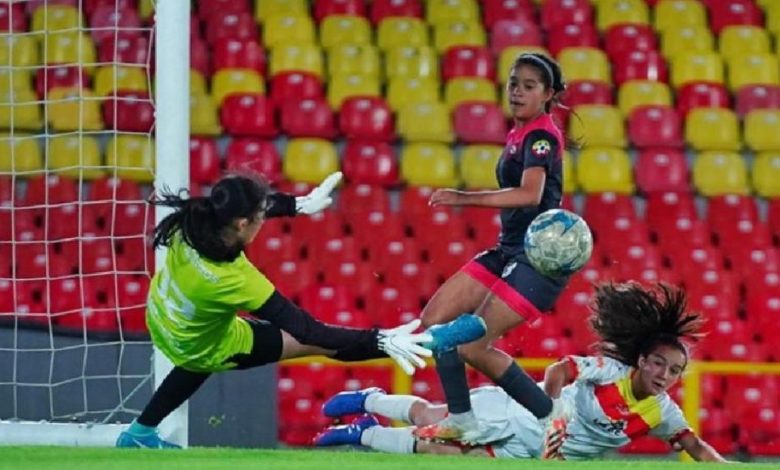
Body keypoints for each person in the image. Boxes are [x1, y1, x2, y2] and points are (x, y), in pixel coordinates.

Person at [116, 172, 483, 448]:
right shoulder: (236, 280)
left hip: (163, 318)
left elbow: (246, 208)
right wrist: (380, 340)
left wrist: (296, 205)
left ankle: (139, 433)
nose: (263, 219)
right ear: (243, 224)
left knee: (198, 352)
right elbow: (308, 330)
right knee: (311, 343)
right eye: (260, 217)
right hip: (203, 344)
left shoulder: (192, 224)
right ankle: (419, 343)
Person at [314, 282, 728, 463]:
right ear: (641, 360)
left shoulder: (664, 413)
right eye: (659, 362)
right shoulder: (610, 371)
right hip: (518, 414)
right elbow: (560, 370)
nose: (664, 374)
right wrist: (553, 413)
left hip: (530, 453)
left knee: (442, 452)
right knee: (430, 419)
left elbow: (696, 447)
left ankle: (364, 432)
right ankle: (370, 400)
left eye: (674, 370)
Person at [414, 52, 573, 442]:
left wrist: (462, 198)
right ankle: (463, 419)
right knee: (434, 322)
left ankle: (550, 414)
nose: (517, 92)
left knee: (470, 345)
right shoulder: (519, 131)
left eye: (529, 86)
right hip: (508, 249)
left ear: (548, 93)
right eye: (513, 83)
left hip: (537, 260)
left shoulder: (539, 136)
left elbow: (530, 195)